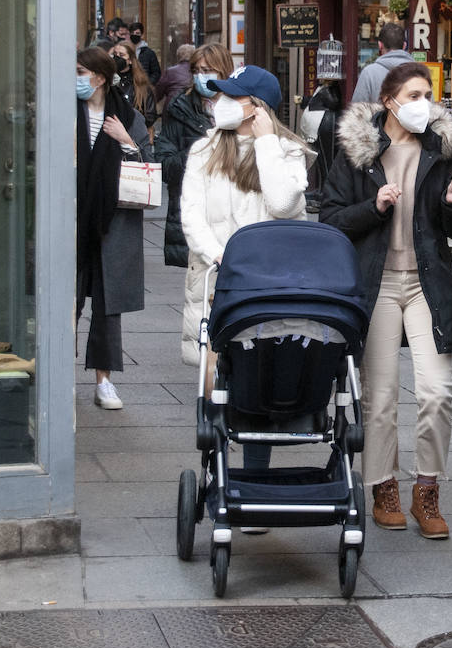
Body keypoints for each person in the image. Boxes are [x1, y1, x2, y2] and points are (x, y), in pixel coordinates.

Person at [320, 62, 452, 540]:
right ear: (389, 101)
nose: (424, 104)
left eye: (428, 94)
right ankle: (383, 485)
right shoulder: (357, 152)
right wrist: (376, 207)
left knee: (437, 390)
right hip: (377, 284)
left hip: (427, 282)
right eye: (414, 94)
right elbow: (330, 219)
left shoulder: (440, 149)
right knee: (380, 396)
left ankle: (426, 488)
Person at [180, 65, 311, 492]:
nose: (219, 103)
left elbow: (284, 204)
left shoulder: (288, 153)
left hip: (268, 288)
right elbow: (191, 216)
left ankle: (254, 475)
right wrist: (222, 257)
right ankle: (216, 469)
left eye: (232, 97)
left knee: (256, 381)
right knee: (216, 383)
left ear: (257, 108)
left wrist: (268, 140)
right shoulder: (204, 151)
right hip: (218, 280)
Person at [76, 47, 154, 410]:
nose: (75, 78)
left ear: (100, 78)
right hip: (74, 221)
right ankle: (56, 372)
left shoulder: (127, 115)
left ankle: (104, 381)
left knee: (107, 306)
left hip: (112, 222)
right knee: (66, 300)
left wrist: (126, 141)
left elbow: (149, 169)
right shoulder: (63, 112)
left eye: (80, 72)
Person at [154, 42, 228, 267]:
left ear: (223, 71)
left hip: (233, 210)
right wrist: (199, 151)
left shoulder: (242, 105)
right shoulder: (180, 108)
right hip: (197, 210)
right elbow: (164, 165)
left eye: (207, 71)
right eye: (196, 71)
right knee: (200, 293)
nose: (200, 77)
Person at [298, 77, 343, 211]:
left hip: (324, 126)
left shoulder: (329, 90)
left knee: (326, 163)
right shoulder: (323, 88)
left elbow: (333, 102)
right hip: (318, 129)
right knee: (322, 163)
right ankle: (322, 191)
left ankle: (326, 193)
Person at [350, 22, 415, 104]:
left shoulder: (369, 73)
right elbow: (431, 111)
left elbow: (356, 111)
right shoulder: (420, 73)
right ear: (404, 46)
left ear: (380, 45)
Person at [111, 40, 156, 136]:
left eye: (122, 55)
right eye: (115, 54)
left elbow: (150, 115)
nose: (117, 57)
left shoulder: (141, 85)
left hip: (134, 135)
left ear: (130, 60)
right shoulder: (108, 80)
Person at [153, 42, 195, 118]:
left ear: (178, 56)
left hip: (172, 106)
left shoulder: (170, 71)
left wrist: (153, 102)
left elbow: (159, 90)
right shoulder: (196, 71)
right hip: (192, 107)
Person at [129, 21, 162, 85]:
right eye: (132, 33)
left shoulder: (149, 53)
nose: (134, 35)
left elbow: (156, 73)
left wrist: (147, 84)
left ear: (142, 35)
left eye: (137, 33)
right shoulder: (125, 51)